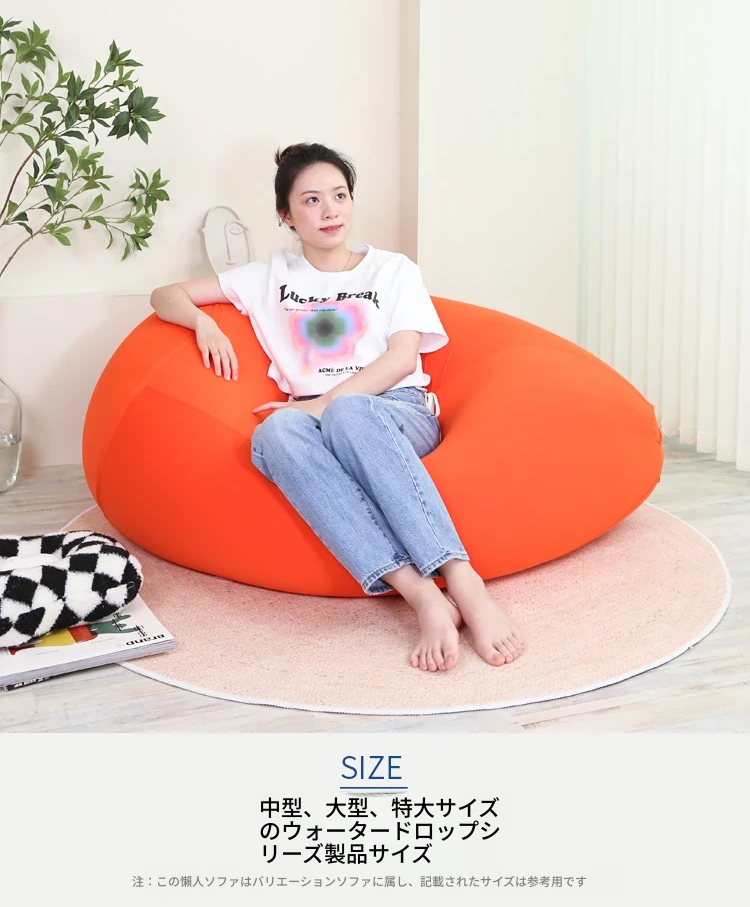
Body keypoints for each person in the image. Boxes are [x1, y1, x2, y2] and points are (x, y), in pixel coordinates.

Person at [150, 142, 525, 673]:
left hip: (395, 410)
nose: (330, 210)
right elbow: (164, 294)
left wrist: (324, 403)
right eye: (311, 200)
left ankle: (466, 585)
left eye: (340, 196)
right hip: (312, 418)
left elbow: (402, 359)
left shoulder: (392, 270)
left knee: (348, 412)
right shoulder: (267, 276)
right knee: (274, 435)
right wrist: (202, 322)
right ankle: (423, 596)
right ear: (286, 215)